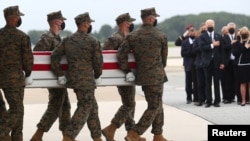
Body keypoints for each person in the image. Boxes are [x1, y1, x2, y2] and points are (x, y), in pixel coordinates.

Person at [117, 7, 168, 141]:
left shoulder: (132, 36)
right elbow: (164, 59)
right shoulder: (160, 35)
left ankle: (158, 134)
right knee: (154, 106)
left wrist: (127, 71)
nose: (155, 19)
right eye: (155, 17)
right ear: (151, 18)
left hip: (142, 76)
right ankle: (135, 132)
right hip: (156, 76)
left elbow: (121, 54)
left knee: (157, 105)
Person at [51, 12, 103, 141]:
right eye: (89, 23)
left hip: (73, 78)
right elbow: (98, 62)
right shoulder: (93, 41)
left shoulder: (68, 40)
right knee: (85, 106)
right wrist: (97, 75)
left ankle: (97, 137)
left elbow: (54, 56)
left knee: (92, 106)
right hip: (86, 80)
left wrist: (60, 74)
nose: (90, 25)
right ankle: (68, 136)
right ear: (85, 24)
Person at [30, 11, 71, 141]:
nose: (63, 23)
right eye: (61, 20)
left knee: (65, 106)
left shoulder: (57, 37)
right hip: (52, 78)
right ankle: (38, 135)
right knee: (55, 106)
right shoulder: (47, 37)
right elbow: (36, 55)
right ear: (56, 22)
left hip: (58, 79)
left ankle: (66, 136)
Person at [101, 13, 137, 141]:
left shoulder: (128, 37)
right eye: (129, 22)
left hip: (128, 75)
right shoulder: (115, 38)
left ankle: (131, 133)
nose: (131, 24)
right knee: (129, 104)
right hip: (121, 76)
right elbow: (104, 55)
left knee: (131, 104)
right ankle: (111, 128)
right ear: (125, 23)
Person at [0, 5, 33, 141]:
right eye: (18, 17)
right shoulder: (22, 37)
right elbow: (27, 59)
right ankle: (3, 131)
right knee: (17, 109)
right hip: (14, 80)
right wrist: (29, 73)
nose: (19, 19)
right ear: (14, 18)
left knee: (15, 109)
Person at [199, 19, 223, 108]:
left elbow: (222, 51)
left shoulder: (219, 36)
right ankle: (208, 101)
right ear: (206, 26)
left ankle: (217, 101)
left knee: (217, 82)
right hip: (207, 63)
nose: (210, 26)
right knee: (208, 82)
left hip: (216, 63)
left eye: (211, 25)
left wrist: (222, 62)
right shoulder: (202, 36)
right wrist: (212, 45)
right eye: (208, 25)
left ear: (214, 25)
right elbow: (202, 48)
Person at [232, 26, 250, 106]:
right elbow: (235, 53)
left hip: (249, 64)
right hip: (241, 64)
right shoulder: (237, 43)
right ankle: (243, 100)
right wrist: (245, 48)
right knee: (243, 83)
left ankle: (248, 99)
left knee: (249, 83)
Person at [221, 22, 238, 104]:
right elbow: (223, 49)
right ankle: (227, 97)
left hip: (236, 61)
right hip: (227, 62)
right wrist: (231, 44)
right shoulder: (224, 38)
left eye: (232, 27)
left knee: (235, 79)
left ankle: (233, 96)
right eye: (230, 27)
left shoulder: (238, 36)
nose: (231, 28)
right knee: (227, 80)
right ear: (227, 29)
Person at [180, 25, 198, 104]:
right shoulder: (185, 42)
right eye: (191, 31)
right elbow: (183, 53)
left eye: (193, 31)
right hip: (188, 65)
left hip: (196, 64)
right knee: (188, 82)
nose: (192, 33)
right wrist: (191, 52)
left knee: (196, 82)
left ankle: (196, 97)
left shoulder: (197, 40)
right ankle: (189, 97)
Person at [193, 23, 207, 106]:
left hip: (207, 63)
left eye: (204, 28)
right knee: (200, 83)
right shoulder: (197, 39)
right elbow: (194, 49)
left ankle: (208, 99)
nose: (203, 30)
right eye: (202, 28)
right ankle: (201, 99)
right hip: (199, 63)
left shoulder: (209, 39)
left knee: (207, 83)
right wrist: (203, 47)